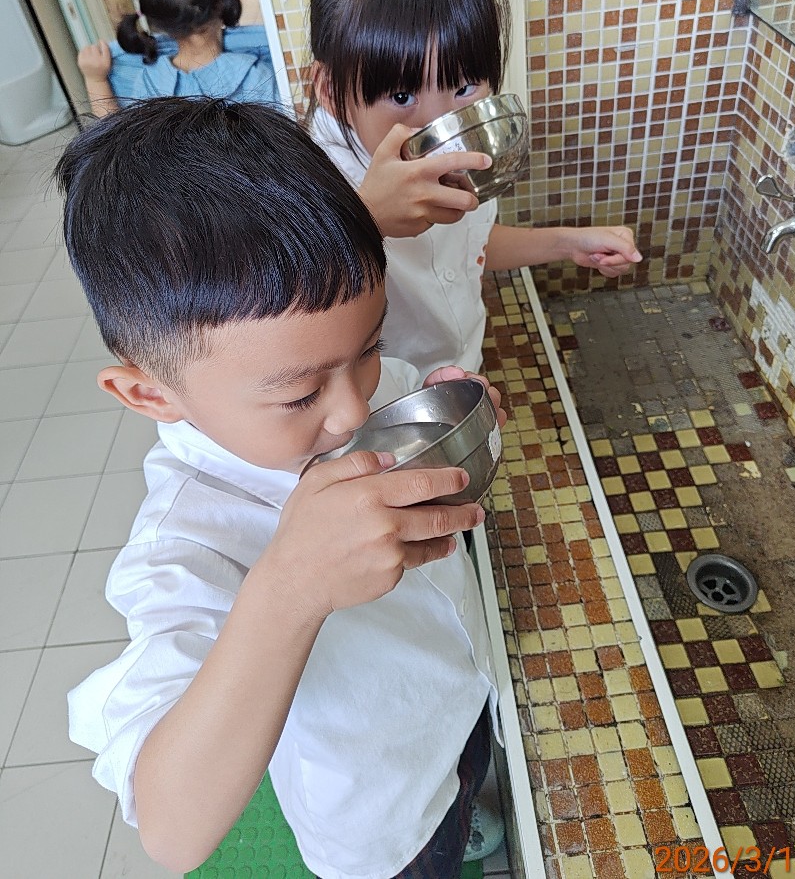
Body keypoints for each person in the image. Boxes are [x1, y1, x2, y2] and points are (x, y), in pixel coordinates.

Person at [59, 97, 508, 879]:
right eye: (300, 395)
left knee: (467, 780)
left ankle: (465, 804)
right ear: (149, 394)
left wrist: (440, 397)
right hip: (380, 816)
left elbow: (385, 394)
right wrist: (289, 588)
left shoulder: (355, 390)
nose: (354, 409)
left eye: (368, 347)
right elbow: (171, 829)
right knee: (426, 851)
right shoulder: (187, 542)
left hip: (452, 695)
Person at [309, 0, 643, 377]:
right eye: (402, 96)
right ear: (331, 91)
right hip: (382, 405)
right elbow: (277, 324)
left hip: (460, 372)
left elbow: (467, 251)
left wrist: (568, 244)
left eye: (465, 86)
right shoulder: (307, 186)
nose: (441, 123)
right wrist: (366, 222)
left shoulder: (471, 144)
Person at [77, 0, 278, 117]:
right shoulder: (259, 78)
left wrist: (96, 81)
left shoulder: (147, 88)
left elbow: (118, 138)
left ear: (154, 18)